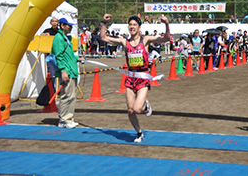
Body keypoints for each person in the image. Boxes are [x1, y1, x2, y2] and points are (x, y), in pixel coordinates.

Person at [100, 13, 170, 143]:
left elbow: (166, 39)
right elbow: (103, 37)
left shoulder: (146, 40)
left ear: (139, 27)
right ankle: (139, 132)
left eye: (135, 25)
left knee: (138, 109)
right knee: (130, 110)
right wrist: (104, 23)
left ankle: (146, 105)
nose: (132, 27)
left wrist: (166, 23)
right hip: (130, 78)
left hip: (143, 77)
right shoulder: (124, 41)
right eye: (130, 25)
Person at [52, 17, 84, 129]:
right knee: (66, 96)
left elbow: (68, 55)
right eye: (68, 25)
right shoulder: (59, 38)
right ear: (62, 26)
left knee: (72, 96)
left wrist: (77, 58)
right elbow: (59, 56)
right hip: (67, 71)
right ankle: (64, 120)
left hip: (72, 71)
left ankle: (69, 118)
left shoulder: (66, 38)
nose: (70, 27)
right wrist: (63, 71)